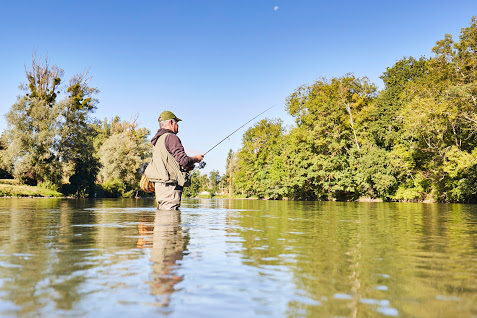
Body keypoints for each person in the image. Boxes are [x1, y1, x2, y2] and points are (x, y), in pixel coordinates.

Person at [144, 111, 204, 210]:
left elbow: (169, 163)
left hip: (160, 187)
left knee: (163, 220)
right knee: (170, 220)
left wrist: (186, 167)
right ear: (171, 123)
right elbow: (184, 160)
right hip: (169, 188)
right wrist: (196, 159)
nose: (177, 126)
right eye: (177, 123)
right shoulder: (171, 137)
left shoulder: (158, 140)